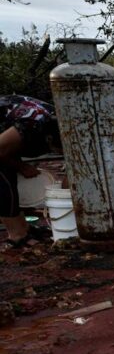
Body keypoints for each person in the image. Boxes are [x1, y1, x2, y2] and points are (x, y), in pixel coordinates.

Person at [1, 95, 60, 248]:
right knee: (3, 179)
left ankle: (24, 228)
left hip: (7, 130)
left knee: (10, 173)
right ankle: (17, 236)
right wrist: (21, 166)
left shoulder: (57, 122)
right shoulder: (32, 124)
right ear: (48, 139)